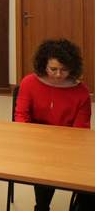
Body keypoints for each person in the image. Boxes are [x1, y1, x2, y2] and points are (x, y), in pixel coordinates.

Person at [15, 39, 94, 211]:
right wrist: (31, 141)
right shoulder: (29, 82)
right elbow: (21, 117)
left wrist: (62, 148)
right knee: (44, 168)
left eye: (64, 70)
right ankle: (42, 206)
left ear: (72, 68)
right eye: (53, 69)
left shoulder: (81, 92)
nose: (58, 74)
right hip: (37, 146)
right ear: (44, 65)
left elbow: (81, 132)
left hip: (69, 149)